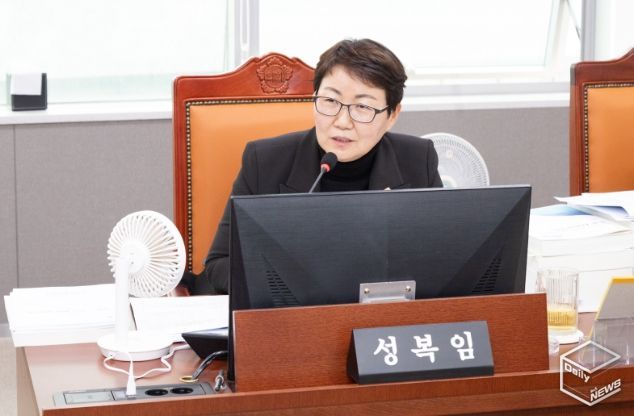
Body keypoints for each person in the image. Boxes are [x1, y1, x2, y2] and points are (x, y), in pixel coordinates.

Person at [186, 38, 442, 295]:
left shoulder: (418, 161)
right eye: (330, 101)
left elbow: (440, 262)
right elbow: (220, 265)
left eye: (363, 107)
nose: (342, 122)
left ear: (392, 115)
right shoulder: (264, 162)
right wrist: (291, 284)